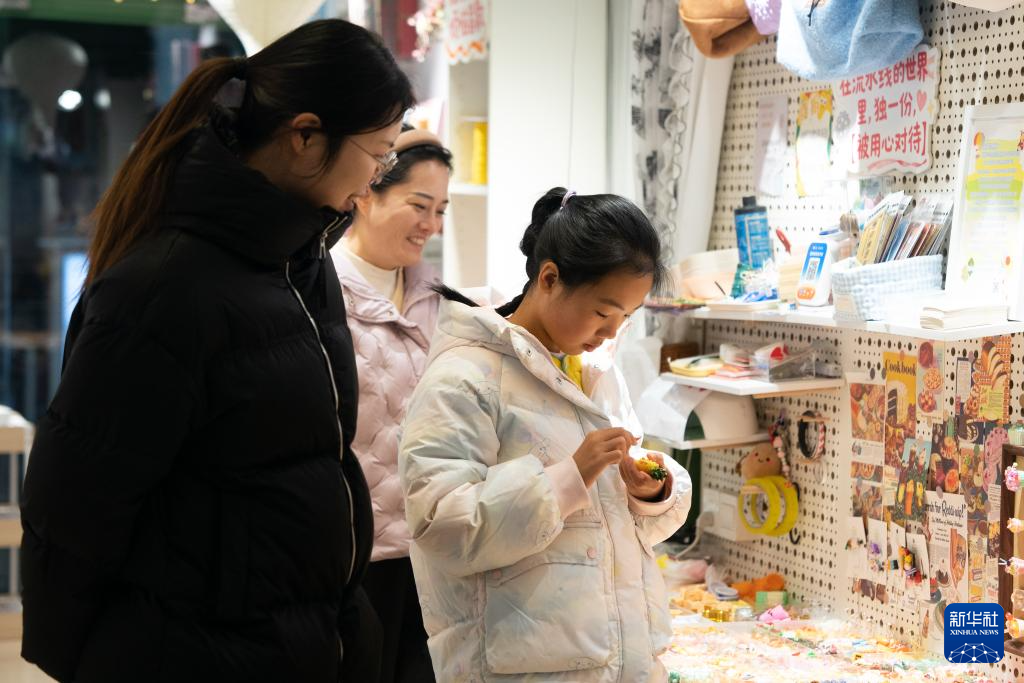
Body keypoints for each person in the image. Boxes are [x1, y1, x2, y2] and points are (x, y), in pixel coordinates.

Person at [19, 19, 414, 683]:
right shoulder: (164, 288)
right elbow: (75, 507)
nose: (378, 177)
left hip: (303, 643)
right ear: (305, 136)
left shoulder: (303, 262)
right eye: (379, 153)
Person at [399, 188, 693, 682]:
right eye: (603, 313)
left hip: (617, 663)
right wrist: (569, 476)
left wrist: (650, 490)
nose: (611, 333)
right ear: (550, 278)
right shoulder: (464, 377)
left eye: (625, 318)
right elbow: (443, 526)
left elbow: (619, 522)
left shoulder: (593, 371)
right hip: (518, 669)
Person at [329, 126, 451, 683]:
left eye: (441, 210)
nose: (432, 224)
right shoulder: (320, 293)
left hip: (433, 551)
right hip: (352, 556)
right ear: (366, 194)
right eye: (419, 205)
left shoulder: (441, 299)